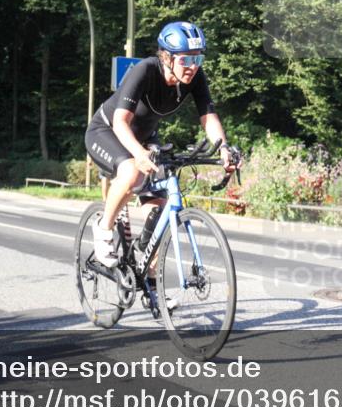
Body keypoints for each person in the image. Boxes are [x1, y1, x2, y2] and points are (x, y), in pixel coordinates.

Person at [84, 21, 239, 268]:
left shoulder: (195, 78)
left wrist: (223, 148)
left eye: (197, 60)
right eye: (186, 60)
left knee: (162, 211)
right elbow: (120, 121)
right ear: (167, 57)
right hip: (107, 130)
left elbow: (208, 116)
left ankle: (153, 286)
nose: (192, 67)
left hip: (146, 137)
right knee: (132, 171)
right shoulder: (144, 70)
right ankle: (103, 229)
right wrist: (138, 154)